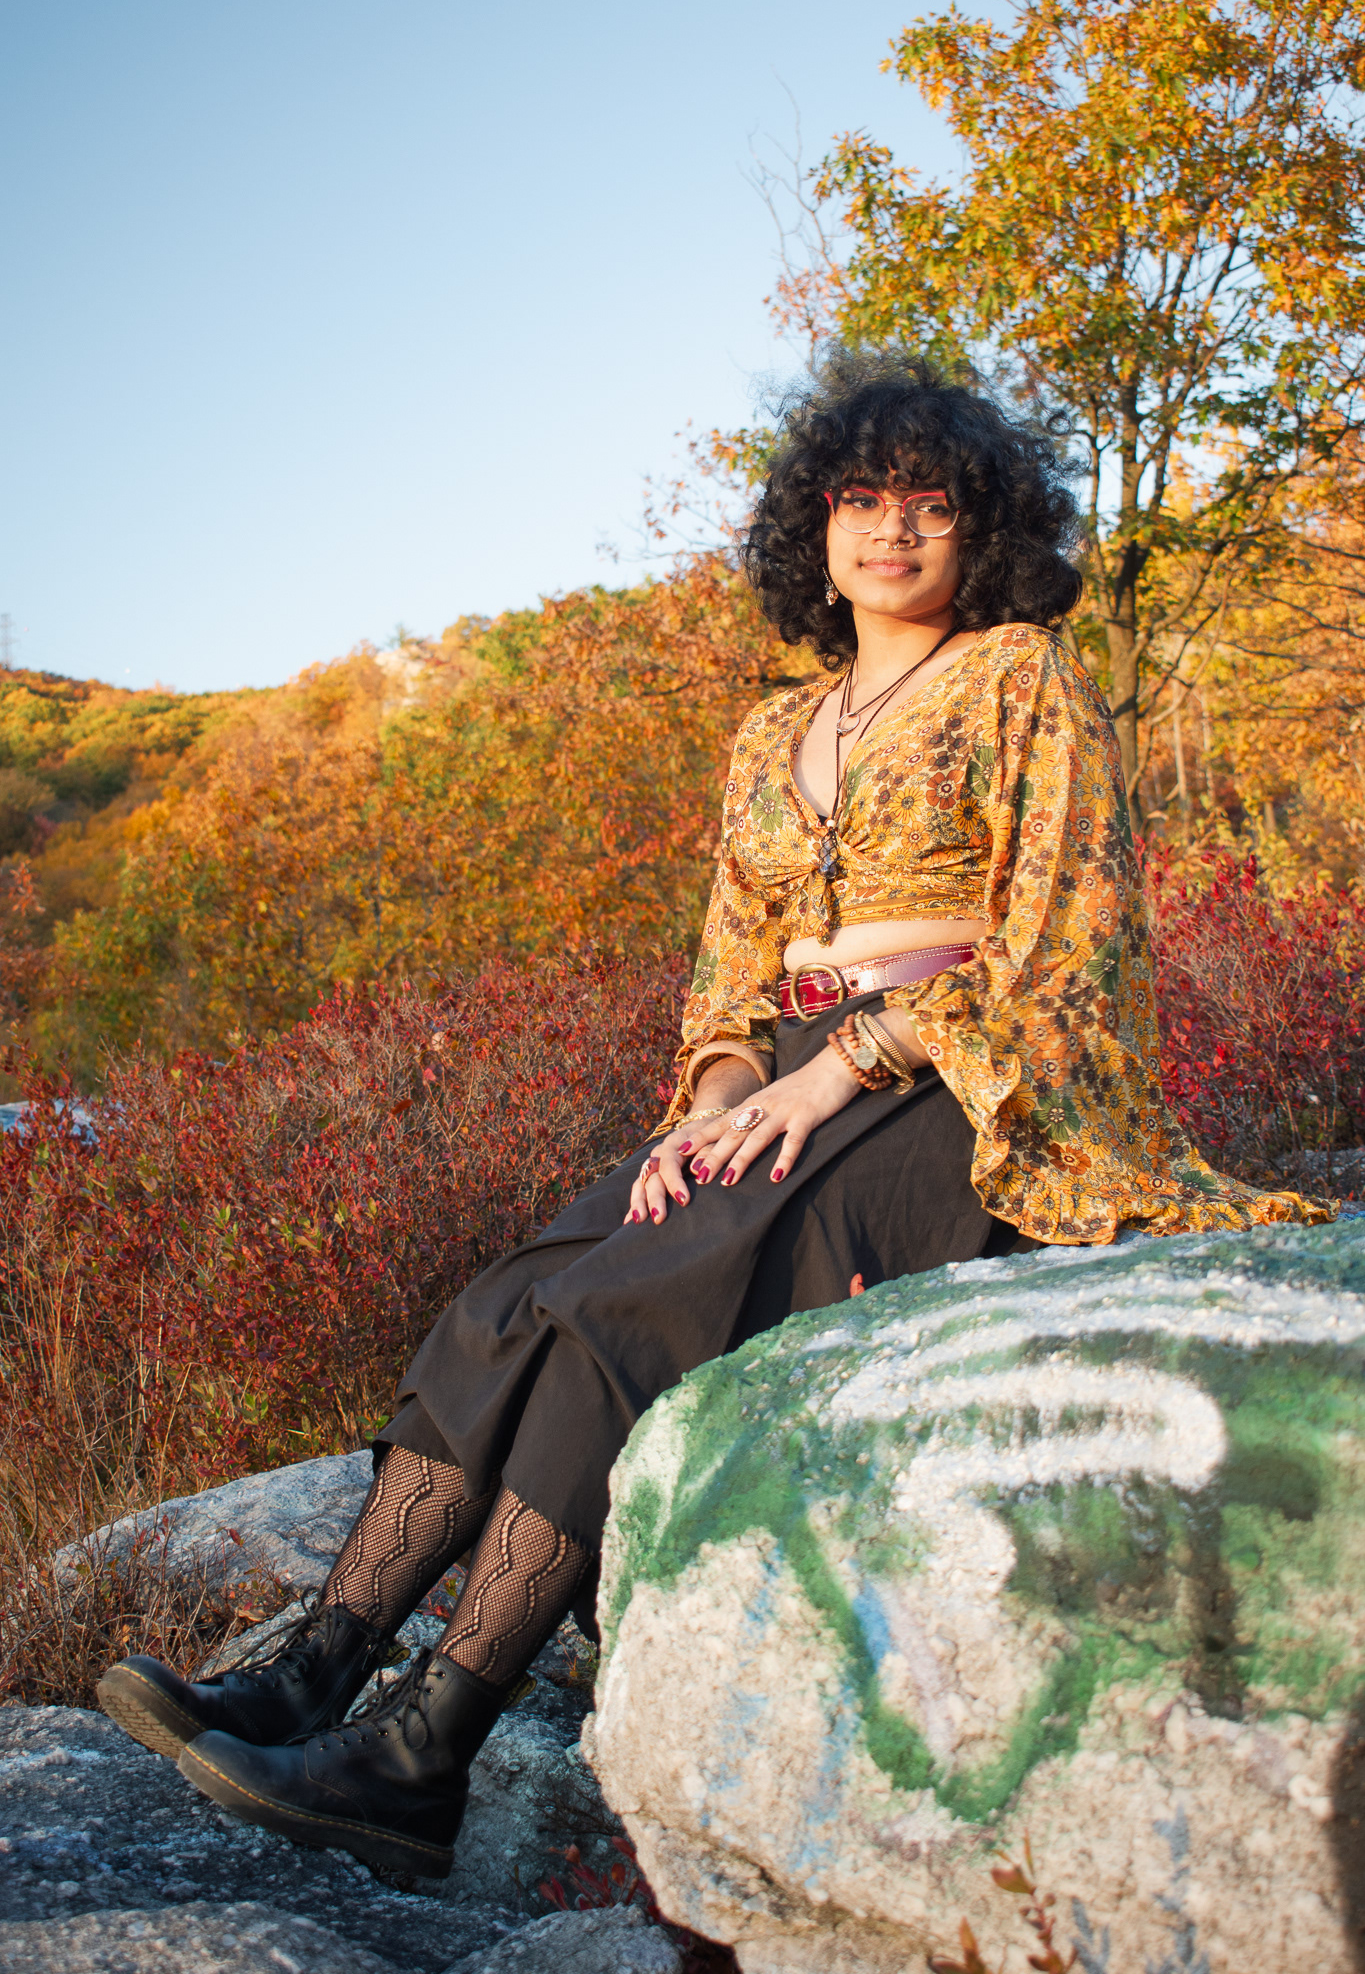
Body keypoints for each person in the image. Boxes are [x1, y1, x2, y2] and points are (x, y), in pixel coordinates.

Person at [95, 351, 1331, 1878]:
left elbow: (1070, 947)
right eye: (860, 498)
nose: (891, 528)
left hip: (957, 1084)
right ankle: (311, 1673)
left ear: (983, 524)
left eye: (930, 502)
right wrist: (720, 1097)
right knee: (518, 1296)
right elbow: (729, 970)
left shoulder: (1024, 678)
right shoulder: (770, 730)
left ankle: (422, 1754)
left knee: (629, 1307)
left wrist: (841, 1066)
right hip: (783, 1084)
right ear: (815, 527)